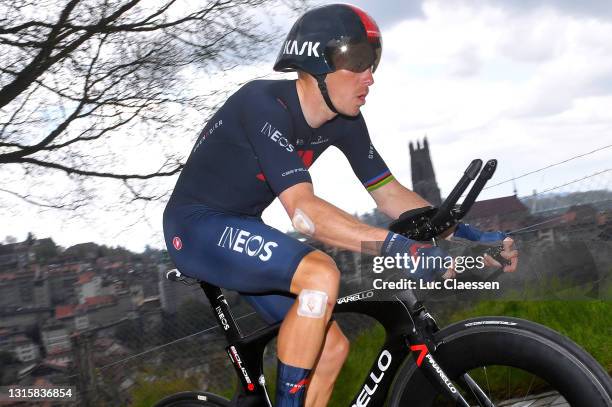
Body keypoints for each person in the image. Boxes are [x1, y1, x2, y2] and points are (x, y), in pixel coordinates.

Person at [163, 4, 518, 406]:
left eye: (374, 62)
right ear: (316, 64)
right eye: (358, 61)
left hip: (241, 225)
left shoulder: (346, 120)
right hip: (195, 228)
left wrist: (470, 237)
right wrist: (400, 249)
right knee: (320, 274)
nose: (371, 77)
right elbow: (304, 213)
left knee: (332, 349)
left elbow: (390, 195)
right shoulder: (261, 105)